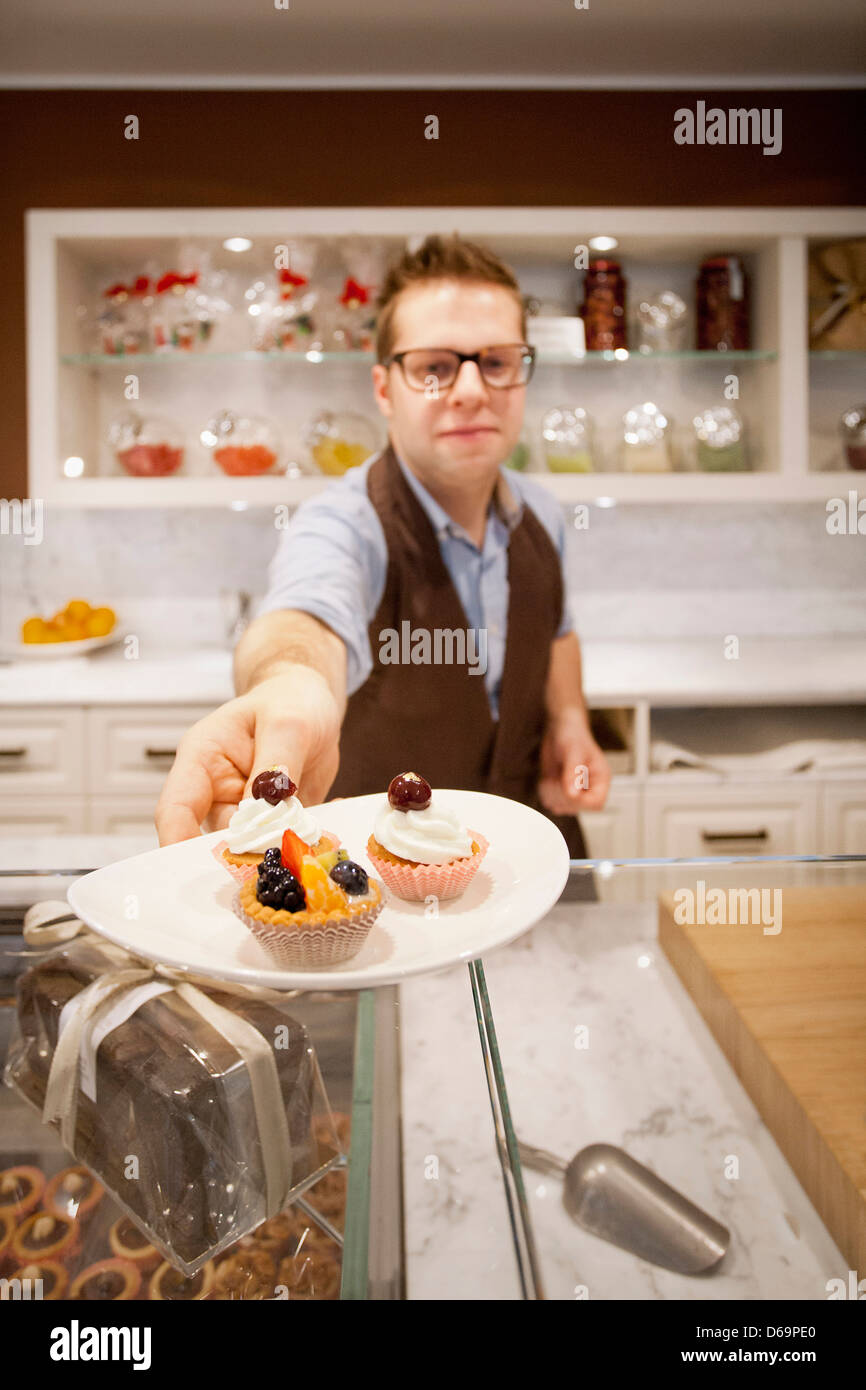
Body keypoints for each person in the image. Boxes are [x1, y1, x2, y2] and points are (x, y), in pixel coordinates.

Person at [155, 234, 610, 854]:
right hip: (387, 896)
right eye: (433, 368)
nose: (472, 391)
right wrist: (292, 692)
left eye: (497, 362)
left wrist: (569, 722)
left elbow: (558, 628)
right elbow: (304, 620)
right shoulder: (344, 523)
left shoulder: (543, 513)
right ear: (383, 388)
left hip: (538, 857)